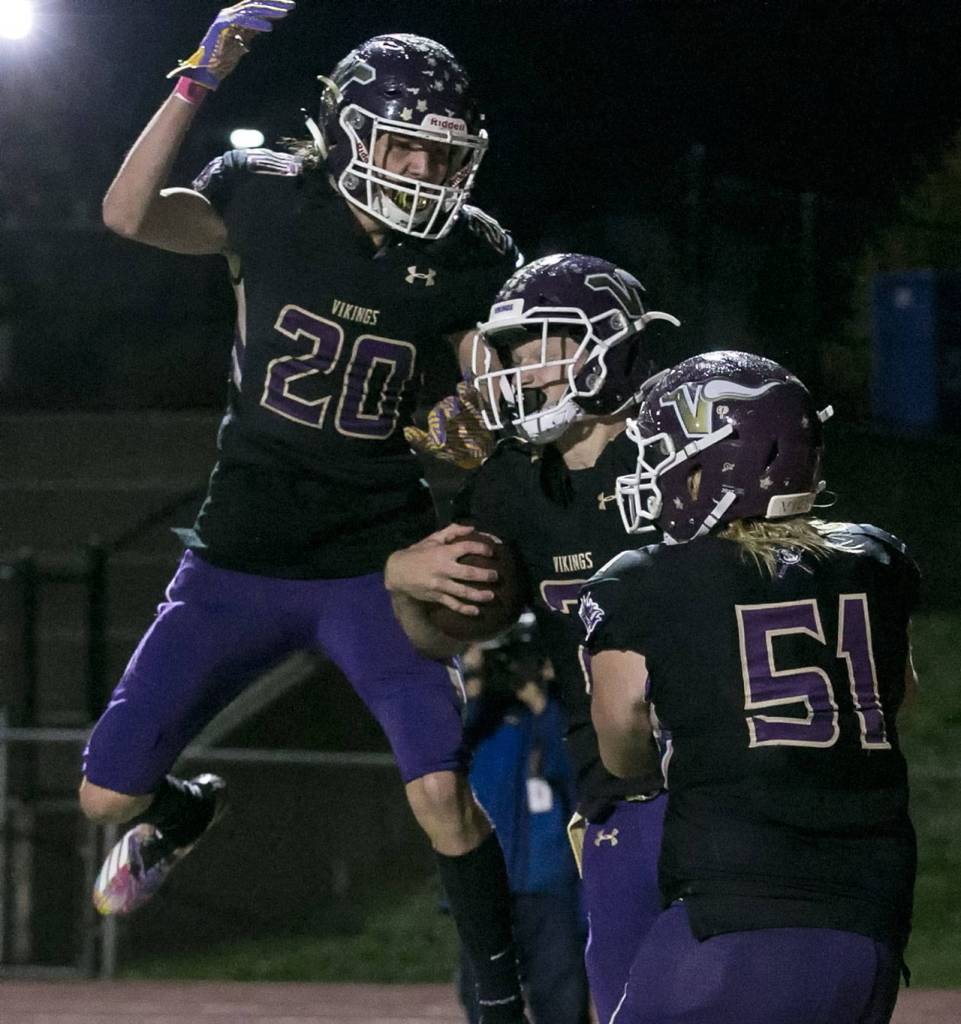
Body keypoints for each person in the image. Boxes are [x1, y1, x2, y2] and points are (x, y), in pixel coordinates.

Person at [81, 5, 528, 1020]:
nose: (423, 166)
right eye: (405, 140)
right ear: (348, 133)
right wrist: (196, 81)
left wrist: (471, 420)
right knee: (103, 801)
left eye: (443, 151)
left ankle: (500, 1000)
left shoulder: (471, 252)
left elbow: (477, 397)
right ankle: (186, 809)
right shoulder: (270, 198)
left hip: (376, 557)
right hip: (241, 550)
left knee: (442, 798)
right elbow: (126, 213)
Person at [386, 253, 683, 1021]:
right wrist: (409, 587)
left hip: (737, 778)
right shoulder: (512, 481)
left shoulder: (690, 439)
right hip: (617, 789)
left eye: (548, 342)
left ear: (612, 340)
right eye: (516, 350)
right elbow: (447, 634)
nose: (527, 367)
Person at [582, 350, 917, 1023]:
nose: (655, 470)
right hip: (871, 916)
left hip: (732, 911)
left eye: (670, 451)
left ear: (731, 457)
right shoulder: (874, 559)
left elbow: (620, 745)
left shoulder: (644, 578)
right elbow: (893, 697)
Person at [457, 617, 589, 1024]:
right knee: (485, 998)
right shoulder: (480, 722)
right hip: (488, 878)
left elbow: (574, 771)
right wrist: (473, 683)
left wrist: (542, 702)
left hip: (548, 880)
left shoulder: (556, 715)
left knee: (562, 997)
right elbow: (444, 757)